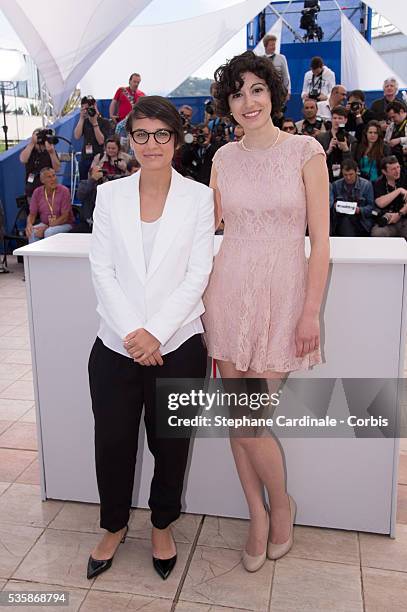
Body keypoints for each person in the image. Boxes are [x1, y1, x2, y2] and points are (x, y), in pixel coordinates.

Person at [202, 51, 329, 571]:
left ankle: (283, 508)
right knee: (239, 418)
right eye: (237, 92)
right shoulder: (221, 159)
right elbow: (202, 229)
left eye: (257, 89)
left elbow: (320, 242)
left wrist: (311, 312)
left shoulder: (305, 150)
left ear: (273, 93)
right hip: (228, 294)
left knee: (251, 420)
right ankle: (258, 513)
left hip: (284, 294)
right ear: (227, 103)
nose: (247, 101)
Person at [87, 95, 214, 582]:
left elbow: (197, 272)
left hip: (178, 345)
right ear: (131, 139)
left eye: (162, 134)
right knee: (113, 443)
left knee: (171, 442)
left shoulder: (198, 198)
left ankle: (162, 525)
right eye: (142, 134)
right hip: (116, 346)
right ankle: (114, 525)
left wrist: (156, 333)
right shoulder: (110, 195)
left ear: (176, 140)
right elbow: (102, 268)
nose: (152, 143)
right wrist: (134, 333)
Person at [25, 168, 74, 242]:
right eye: (49, 177)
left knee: (49, 232)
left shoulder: (64, 191)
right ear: (42, 180)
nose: (53, 179)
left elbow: (65, 217)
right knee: (32, 232)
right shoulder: (37, 192)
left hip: (64, 224)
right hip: (45, 224)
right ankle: (34, 254)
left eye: (54, 176)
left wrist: (46, 227)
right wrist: (29, 225)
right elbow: (32, 214)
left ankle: (49, 253)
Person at [330, 159, 374, 237]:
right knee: (345, 222)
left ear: (356, 171)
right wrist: (335, 206)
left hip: (361, 221)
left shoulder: (366, 185)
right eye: (345, 175)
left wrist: (359, 210)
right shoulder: (336, 185)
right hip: (342, 219)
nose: (348, 177)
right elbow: (331, 205)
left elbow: (371, 207)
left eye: (351, 174)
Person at [74, 96, 113, 180]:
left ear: (94, 106)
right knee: (84, 183)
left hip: (99, 157)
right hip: (85, 157)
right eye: (84, 109)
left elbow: (101, 141)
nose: (87, 111)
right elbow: (76, 136)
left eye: (88, 108)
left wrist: (95, 123)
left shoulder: (104, 122)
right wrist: (81, 118)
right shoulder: (84, 121)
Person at [371, 155, 407, 238]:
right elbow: (380, 203)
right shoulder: (379, 183)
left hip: (404, 219)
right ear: (384, 171)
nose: (397, 171)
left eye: (398, 167)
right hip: (388, 221)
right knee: (377, 233)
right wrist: (399, 190)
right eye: (393, 169)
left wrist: (400, 214)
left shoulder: (405, 177)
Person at [317, 106, 355, 182]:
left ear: (345, 120)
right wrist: (328, 150)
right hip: (326, 176)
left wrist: (346, 150)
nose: (337, 121)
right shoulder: (321, 138)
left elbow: (353, 165)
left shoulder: (351, 140)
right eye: (334, 118)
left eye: (340, 118)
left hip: (345, 179)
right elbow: (318, 162)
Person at [19, 128, 61, 198]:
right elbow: (23, 159)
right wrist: (32, 143)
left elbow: (57, 169)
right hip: (31, 189)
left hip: (48, 188)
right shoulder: (29, 149)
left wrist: (52, 152)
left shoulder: (49, 150)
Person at [262, 34, 291, 100]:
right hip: (265, 92)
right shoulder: (260, 59)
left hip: (279, 92)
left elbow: (286, 76)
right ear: (265, 46)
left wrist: (288, 91)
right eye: (271, 45)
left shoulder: (281, 58)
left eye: (274, 45)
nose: (274, 47)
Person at [385, 101, 407, 166]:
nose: (392, 120)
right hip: (396, 162)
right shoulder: (392, 125)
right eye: (390, 118)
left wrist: (399, 140)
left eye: (393, 117)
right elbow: (386, 140)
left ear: (401, 111)